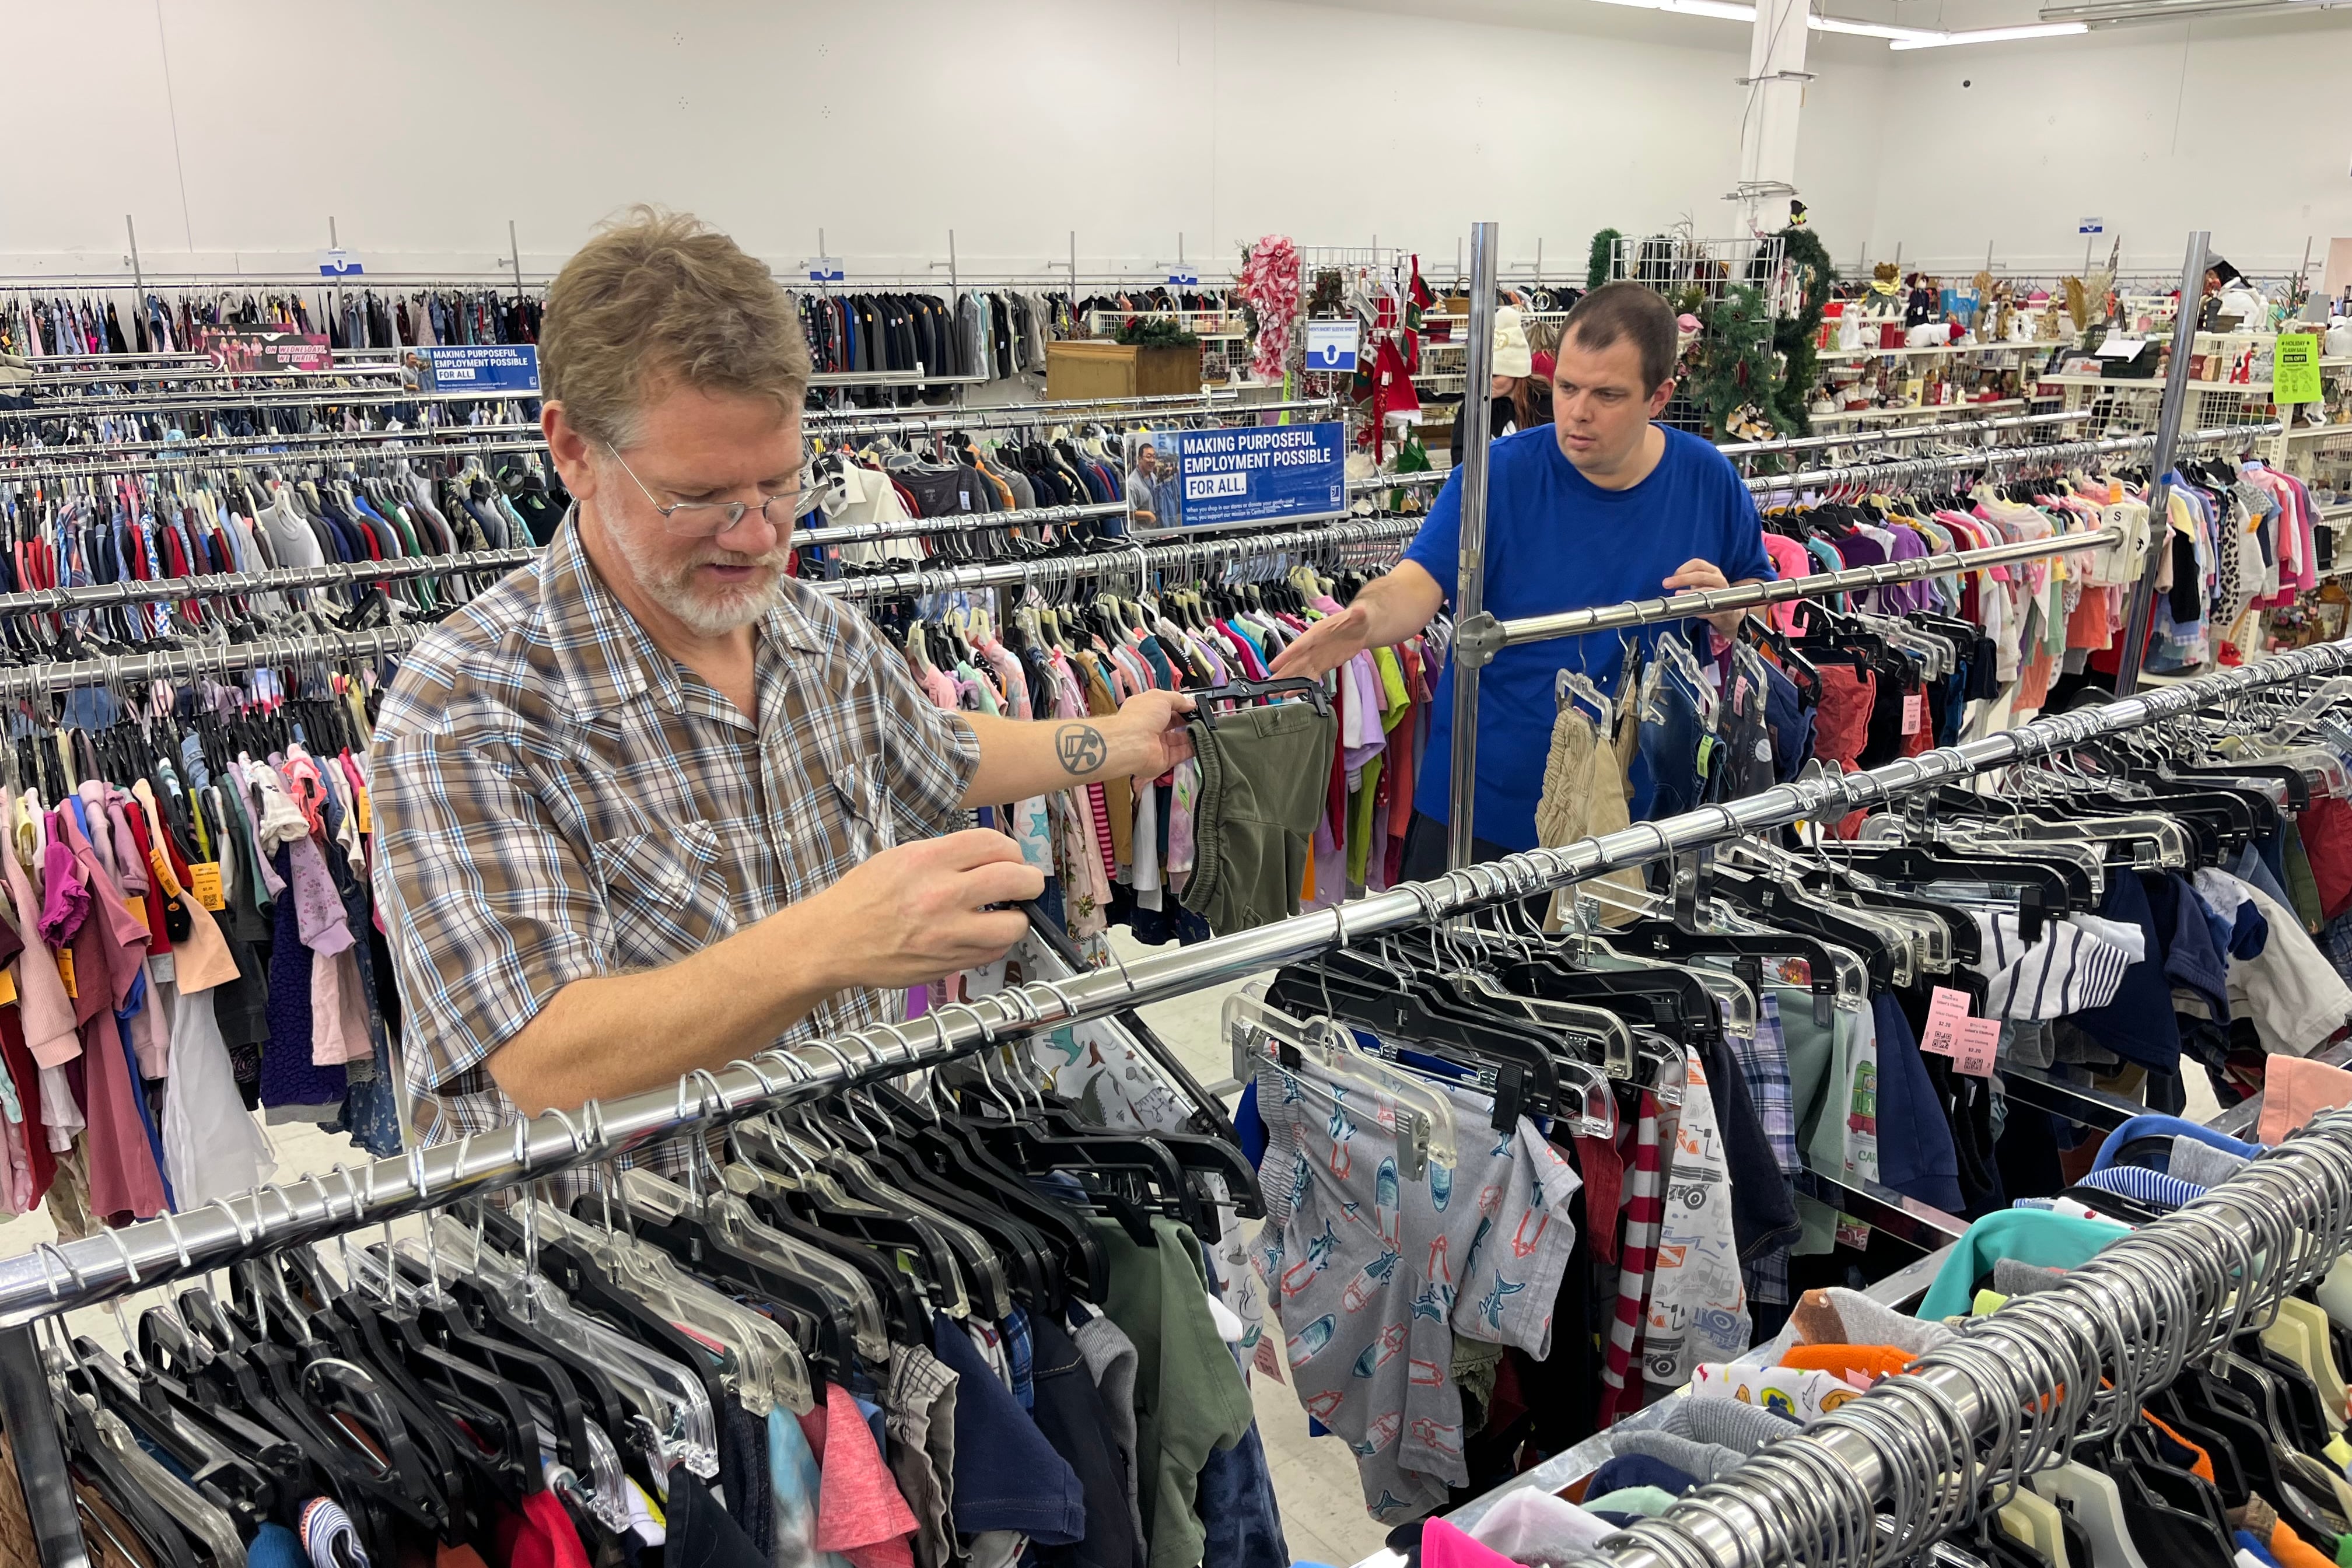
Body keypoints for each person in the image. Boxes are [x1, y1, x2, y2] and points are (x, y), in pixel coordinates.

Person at [370, 209, 1193, 1158]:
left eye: (779, 485)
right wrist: (833, 941)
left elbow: (931, 748)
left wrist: (1116, 741)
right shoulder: (469, 705)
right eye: (702, 498)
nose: (759, 535)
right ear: (574, 452)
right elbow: (541, 1060)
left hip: (861, 1189)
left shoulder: (813, 631)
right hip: (629, 1237)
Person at [1271, 281, 1770, 875]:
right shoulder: (1496, 476)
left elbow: (1761, 609)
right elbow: (1416, 583)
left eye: (1607, 395)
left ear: (1658, 397)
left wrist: (1734, 613)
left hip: (1637, 821)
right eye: (1567, 387)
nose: (1578, 411)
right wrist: (1363, 620)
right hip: (1480, 813)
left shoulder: (1710, 481)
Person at [1447, 305, 1554, 466]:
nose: (1486, 382)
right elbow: (1460, 458)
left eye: (1495, 375)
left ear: (1517, 374)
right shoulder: (1474, 405)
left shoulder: (1545, 405)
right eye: (1483, 375)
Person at [1124, 435, 1161, 527]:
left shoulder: (1153, 477)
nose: (1152, 460)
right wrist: (1149, 515)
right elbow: (1130, 513)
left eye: (1154, 457)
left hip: (1155, 529)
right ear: (1140, 459)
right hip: (1142, 532)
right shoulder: (1132, 483)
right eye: (1149, 457)